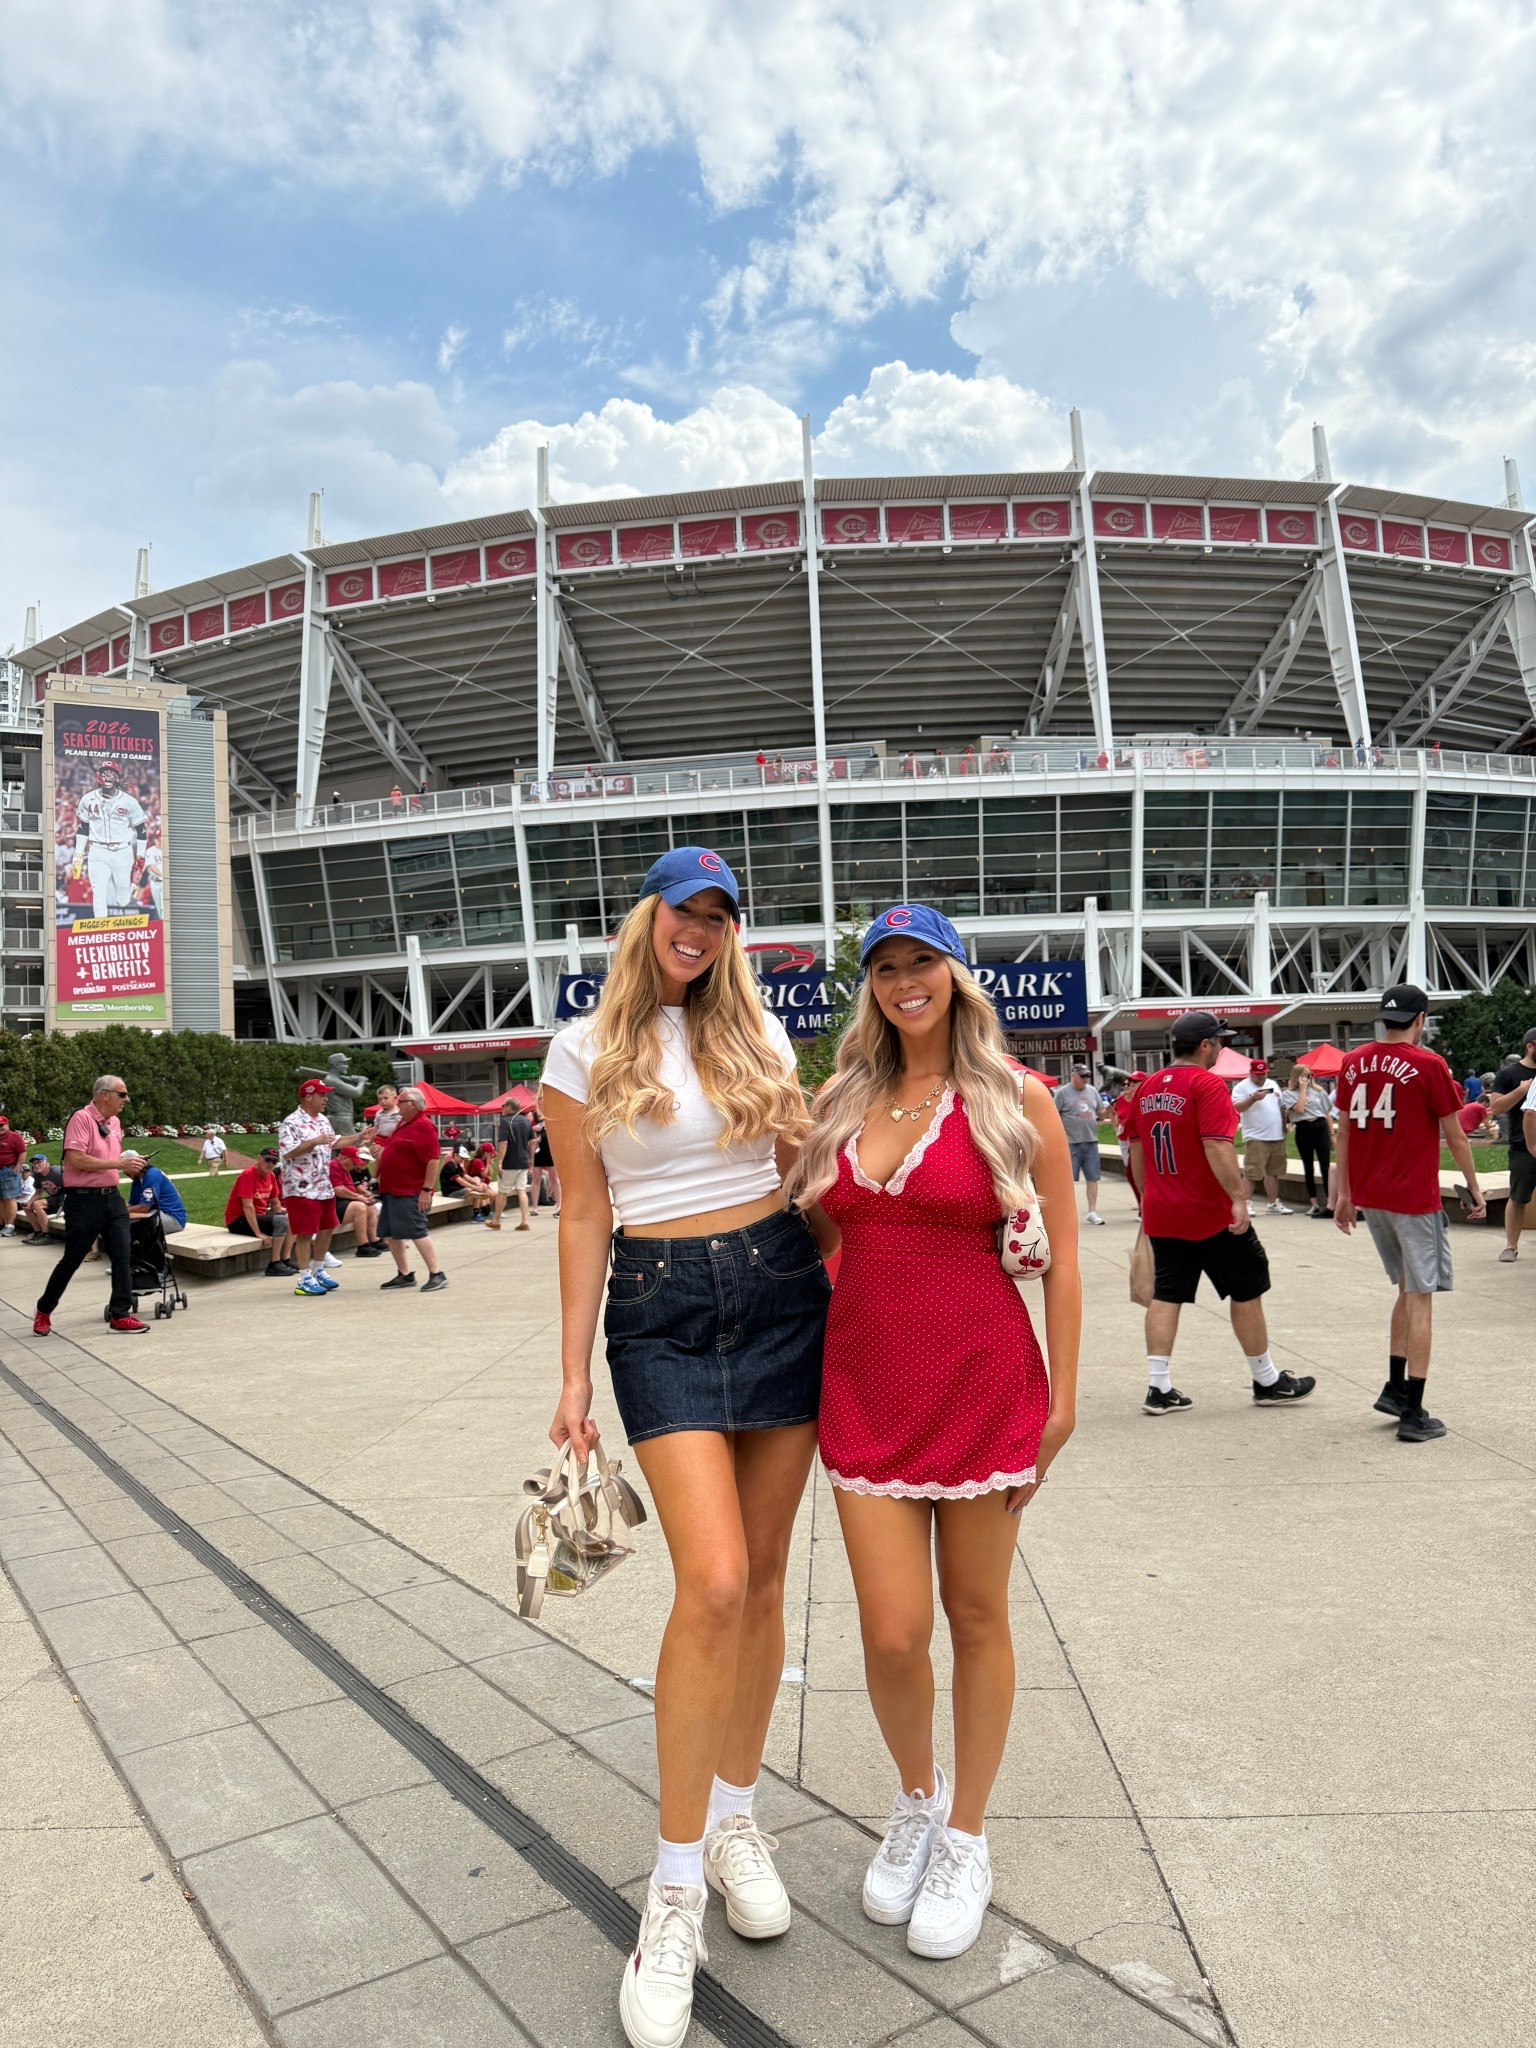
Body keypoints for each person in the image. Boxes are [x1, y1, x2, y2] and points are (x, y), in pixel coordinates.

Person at [541, 846, 825, 2048]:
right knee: (708, 1580)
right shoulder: (577, 1051)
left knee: (762, 1581)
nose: (699, 930)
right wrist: (567, 1374)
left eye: (720, 914)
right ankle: (669, 1892)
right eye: (683, 909)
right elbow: (586, 1210)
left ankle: (736, 1818)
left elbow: (813, 1182)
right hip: (656, 1308)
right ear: (646, 914)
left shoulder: (761, 1037)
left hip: (780, 1289)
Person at [789, 904, 1079, 1962]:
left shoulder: (1016, 1101)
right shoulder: (842, 1100)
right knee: (893, 1629)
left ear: (956, 974)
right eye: (886, 965)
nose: (905, 979)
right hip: (864, 1386)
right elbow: (823, 1228)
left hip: (982, 1382)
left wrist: (1063, 1402)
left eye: (923, 962)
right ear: (869, 983)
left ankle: (966, 1834)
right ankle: (917, 1796)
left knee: (976, 1615)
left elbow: (1064, 1261)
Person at [1127, 1014, 1315, 1415]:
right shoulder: (1206, 1083)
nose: (1222, 1047)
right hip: (1208, 1211)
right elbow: (1217, 1145)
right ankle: (1266, 1380)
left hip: (1163, 1209)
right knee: (1247, 1288)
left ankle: (1158, 1387)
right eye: (1219, 1041)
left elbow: (1138, 1151)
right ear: (1205, 1045)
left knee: (1167, 1293)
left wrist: (1148, 1197)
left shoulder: (1145, 1089)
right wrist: (1237, 1197)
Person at [1335, 987, 1485, 1443]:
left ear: (1385, 1018)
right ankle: (1414, 1413)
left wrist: (1343, 1193)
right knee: (1422, 1297)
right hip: (1413, 1197)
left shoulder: (1352, 1060)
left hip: (1372, 1195)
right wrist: (1474, 1188)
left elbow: (1342, 1131)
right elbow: (1456, 1135)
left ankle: (1395, 1388)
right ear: (1420, 1019)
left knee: (1405, 1289)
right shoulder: (1428, 1064)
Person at [33, 1076, 150, 1336]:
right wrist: (120, 1165)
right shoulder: (81, 1118)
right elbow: (76, 1160)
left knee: (123, 1255)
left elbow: (108, 1159)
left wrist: (129, 1163)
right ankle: (44, 1310)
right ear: (104, 1094)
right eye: (122, 1094)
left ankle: (120, 1314)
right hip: (83, 1200)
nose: (126, 1100)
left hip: (112, 1198)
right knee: (72, 1259)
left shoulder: (115, 1122)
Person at [375, 1087, 447, 1292]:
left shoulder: (423, 1126)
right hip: (393, 1189)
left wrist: (426, 1190)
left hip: (410, 1190)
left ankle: (437, 1273)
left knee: (417, 1230)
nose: (397, 1105)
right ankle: (404, 1273)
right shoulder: (404, 1123)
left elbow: (432, 1160)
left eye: (402, 1102)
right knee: (390, 1233)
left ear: (413, 1105)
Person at [278, 1081, 341, 1297]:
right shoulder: (291, 1123)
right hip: (301, 1188)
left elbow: (334, 1141)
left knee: (327, 1228)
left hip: (323, 1186)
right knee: (305, 1233)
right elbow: (288, 1152)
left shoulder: (323, 1120)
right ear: (308, 1097)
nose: (326, 1100)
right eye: (322, 1095)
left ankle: (318, 1269)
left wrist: (361, 1137)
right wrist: (314, 1141)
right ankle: (304, 1278)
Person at [70, 759, 147, 917]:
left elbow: (141, 830)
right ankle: (101, 929)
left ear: (117, 778)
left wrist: (140, 857)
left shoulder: (129, 801)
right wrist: (78, 854)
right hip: (97, 850)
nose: (108, 776)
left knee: (123, 899)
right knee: (99, 894)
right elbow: (83, 827)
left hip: (122, 851)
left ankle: (123, 908)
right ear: (99, 776)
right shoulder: (88, 798)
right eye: (104, 773)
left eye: (111, 773)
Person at [1486, 1027, 1536, 1262]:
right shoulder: (1509, 1074)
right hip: (1522, 1146)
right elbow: (1496, 1107)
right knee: (1518, 1196)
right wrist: (1521, 1090)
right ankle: (1510, 1246)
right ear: (1530, 1046)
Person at [1232, 1058, 1293, 1215]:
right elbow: (1236, 1107)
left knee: (1273, 1171)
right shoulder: (1242, 1087)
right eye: (1258, 1075)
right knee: (1252, 1172)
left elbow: (1281, 1104)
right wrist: (1252, 1098)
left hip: (1276, 1135)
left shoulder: (1272, 1084)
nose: (1262, 1078)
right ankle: (1247, 1203)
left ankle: (1273, 1204)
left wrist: (1287, 1121)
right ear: (1251, 1073)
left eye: (1264, 1074)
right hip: (1256, 1136)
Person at [224, 1147, 296, 1275]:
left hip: (258, 1215)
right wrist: (258, 1233)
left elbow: (275, 1202)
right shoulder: (248, 1175)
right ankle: (274, 1264)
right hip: (238, 1220)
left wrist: (284, 1212)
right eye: (267, 1159)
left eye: (274, 1161)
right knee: (281, 1221)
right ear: (259, 1158)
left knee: (293, 1217)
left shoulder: (271, 1176)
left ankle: (285, 1259)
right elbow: (248, 1206)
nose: (270, 1164)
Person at [1051, 1064, 1105, 1225]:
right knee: (1066, 1180)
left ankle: (1092, 1211)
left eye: (1087, 1076)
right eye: (1082, 1076)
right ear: (1073, 1075)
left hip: (1090, 1140)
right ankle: (1065, 1212)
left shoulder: (1092, 1091)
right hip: (1071, 1142)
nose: (1085, 1079)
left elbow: (1101, 1111)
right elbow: (1053, 1114)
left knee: (1092, 1178)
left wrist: (1109, 1111)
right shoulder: (1062, 1093)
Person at [1288, 1064, 1336, 1218]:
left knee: (1325, 1165)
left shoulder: (1319, 1092)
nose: (1307, 1079)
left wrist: (1331, 1134)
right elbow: (1299, 1109)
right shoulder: (1289, 1094)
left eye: (1309, 1075)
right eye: (1303, 1076)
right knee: (1308, 1166)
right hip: (1303, 1127)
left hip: (1320, 1126)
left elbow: (1327, 1113)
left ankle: (1330, 1202)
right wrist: (1302, 1089)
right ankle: (1313, 1203)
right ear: (1297, 1077)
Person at [329, 1151, 384, 1254]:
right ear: (344, 1158)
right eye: (353, 1163)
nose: (355, 1166)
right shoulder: (333, 1166)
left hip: (344, 1202)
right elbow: (339, 1190)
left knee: (371, 1207)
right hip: (332, 1204)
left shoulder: (345, 1169)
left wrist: (363, 1198)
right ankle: (363, 1245)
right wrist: (360, 1197)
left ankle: (374, 1240)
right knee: (359, 1207)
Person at [492, 1098, 534, 1230]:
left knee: (503, 1192)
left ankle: (496, 1221)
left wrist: (500, 1161)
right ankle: (525, 1220)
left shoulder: (505, 1122)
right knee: (521, 1190)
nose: (502, 1108)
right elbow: (533, 1141)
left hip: (510, 1162)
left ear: (509, 1107)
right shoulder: (526, 1121)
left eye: (503, 1106)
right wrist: (531, 1159)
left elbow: (503, 1143)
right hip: (523, 1161)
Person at [127, 1162, 188, 1233]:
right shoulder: (137, 1179)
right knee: (120, 1219)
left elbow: (145, 1207)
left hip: (173, 1218)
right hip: (157, 1213)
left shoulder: (151, 1175)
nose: (125, 1172)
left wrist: (121, 1212)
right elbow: (132, 1204)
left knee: (125, 1220)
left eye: (125, 1167)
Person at [23, 1153, 64, 1244]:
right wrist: (29, 1202)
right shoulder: (36, 1175)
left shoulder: (57, 1171)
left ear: (46, 1162)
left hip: (64, 1199)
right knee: (26, 1206)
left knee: (37, 1204)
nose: (36, 1165)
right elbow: (38, 1193)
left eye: (39, 1162)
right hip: (53, 1199)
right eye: (34, 1163)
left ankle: (46, 1235)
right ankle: (38, 1233)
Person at [0, 1114, 28, 1235]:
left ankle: (10, 1226)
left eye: (2, 1125)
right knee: (1, 1199)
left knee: (9, 1198)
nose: (0, 1128)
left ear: (7, 1125)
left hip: (9, 1170)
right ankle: (4, 1225)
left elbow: (22, 1152)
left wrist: (17, 1168)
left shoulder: (14, 1137)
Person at [530, 1110, 561, 1214]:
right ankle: (534, 1207)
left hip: (550, 1153)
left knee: (554, 1179)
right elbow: (531, 1139)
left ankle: (559, 1205)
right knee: (536, 1179)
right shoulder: (535, 1125)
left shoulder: (551, 1122)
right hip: (538, 1153)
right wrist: (533, 1129)